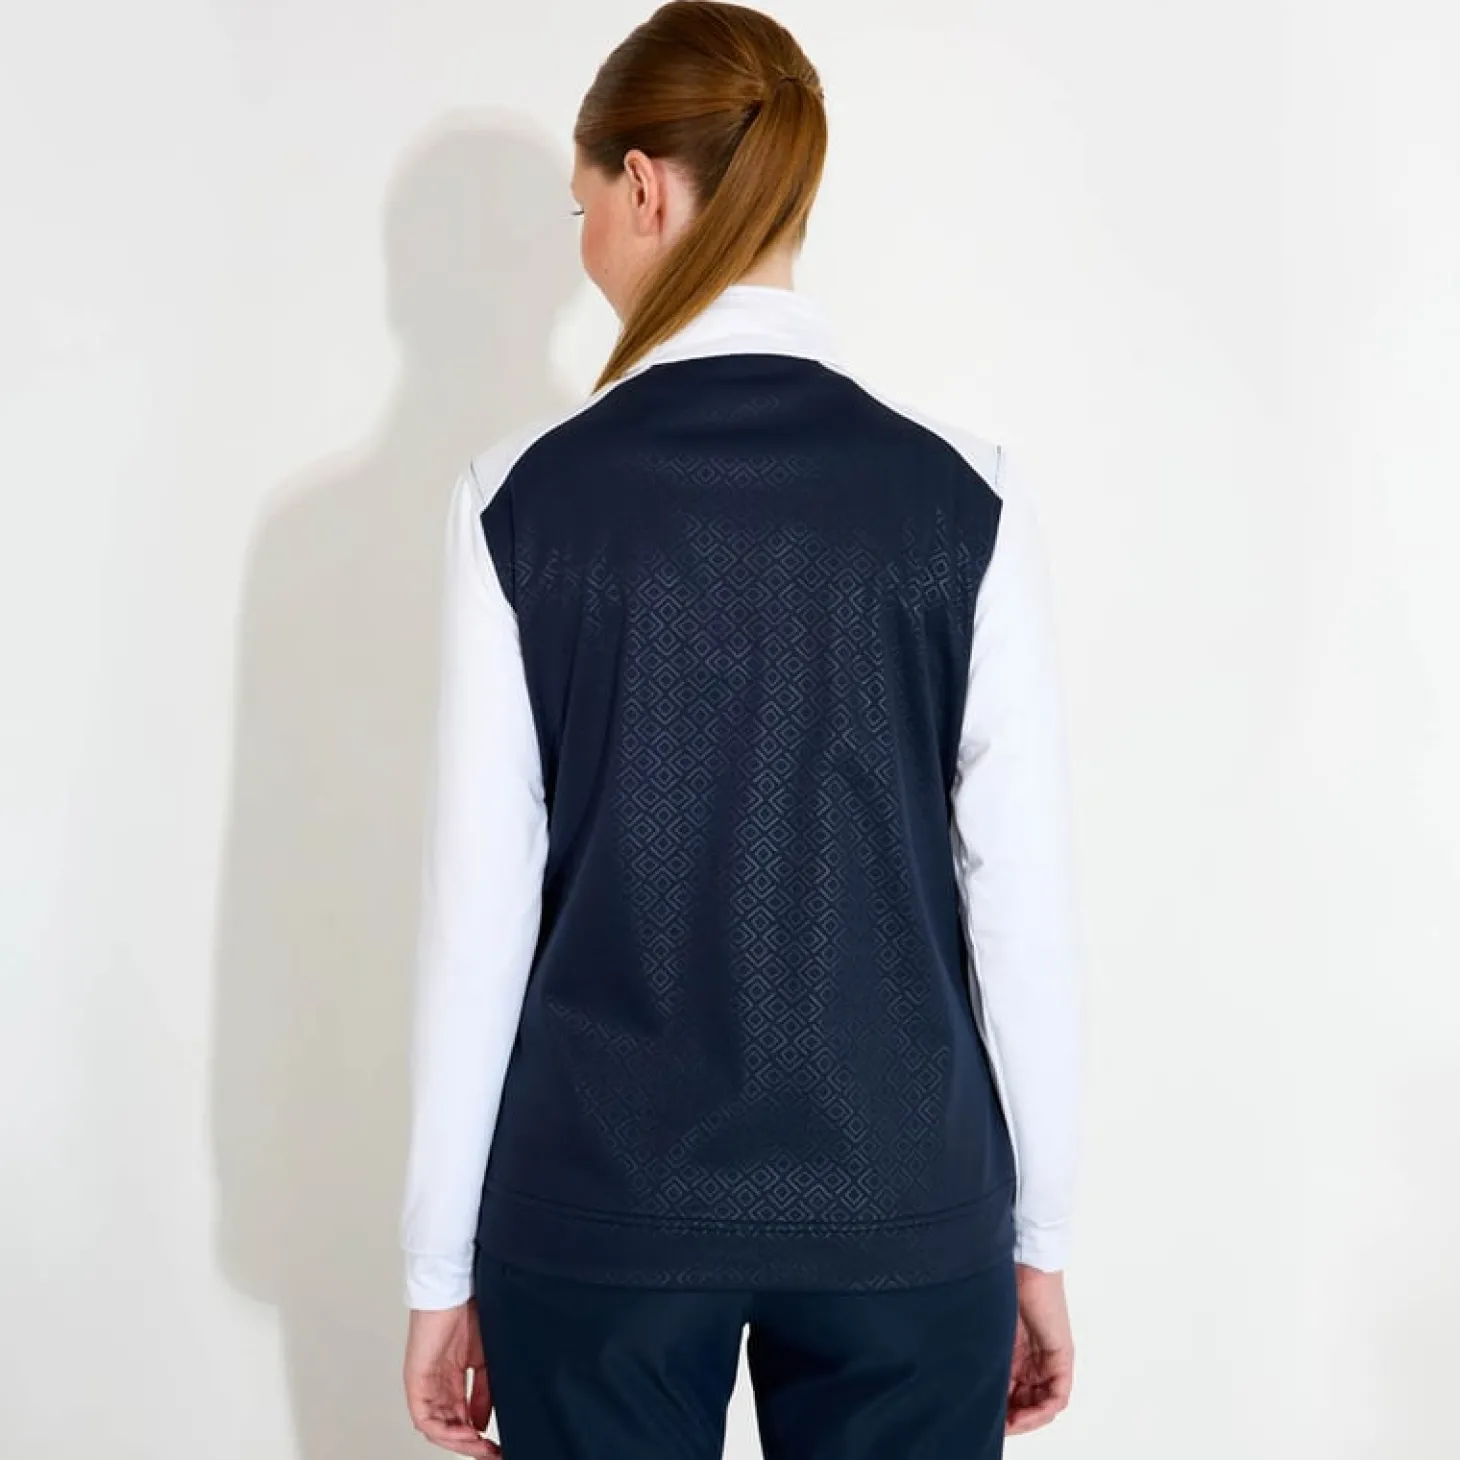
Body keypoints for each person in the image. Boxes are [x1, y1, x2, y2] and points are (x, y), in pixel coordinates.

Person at [398, 3, 1084, 1456]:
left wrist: (437, 1267)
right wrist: (1042, 1238)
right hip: (905, 1202)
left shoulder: (518, 502)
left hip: (600, 1206)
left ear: (645, 187)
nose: (585, 238)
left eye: (581, 203)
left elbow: (478, 915)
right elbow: (1020, 899)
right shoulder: (966, 499)